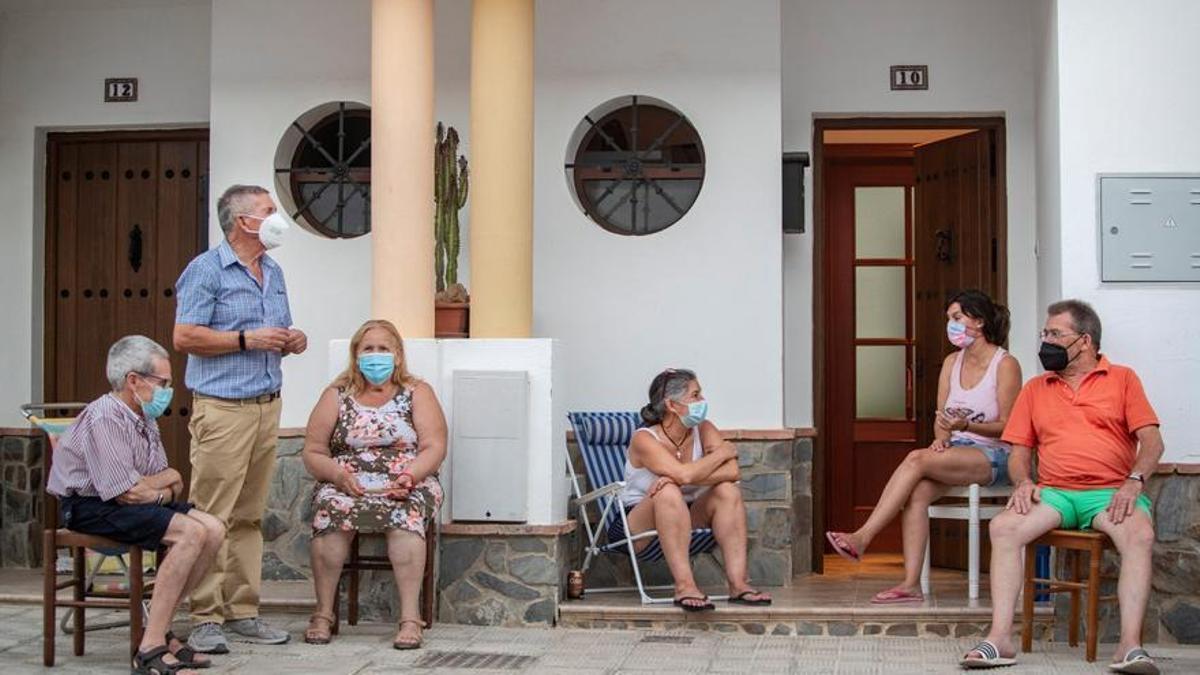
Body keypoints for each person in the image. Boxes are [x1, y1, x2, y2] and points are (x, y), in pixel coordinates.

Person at [961, 300, 1163, 674]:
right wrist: (1022, 482)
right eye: (1045, 333)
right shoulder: (1037, 388)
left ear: (1084, 341)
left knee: (1139, 535)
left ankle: (1129, 647)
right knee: (1003, 527)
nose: (1046, 341)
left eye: (1055, 334)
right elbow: (1020, 452)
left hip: (1109, 493)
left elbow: (1152, 443)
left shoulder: (1123, 379)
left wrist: (1134, 483)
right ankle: (999, 639)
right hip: (1055, 493)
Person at [173, 184, 307, 653]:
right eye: (269, 211)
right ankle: (205, 616)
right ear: (242, 221)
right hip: (224, 409)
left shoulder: (272, 271)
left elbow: (278, 330)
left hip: (267, 405)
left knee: (249, 517)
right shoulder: (206, 270)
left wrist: (292, 340)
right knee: (211, 517)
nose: (277, 218)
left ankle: (244, 610)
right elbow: (185, 335)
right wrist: (247, 339)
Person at [825, 290, 1022, 604]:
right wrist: (942, 438)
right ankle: (910, 584)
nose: (951, 325)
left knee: (916, 459)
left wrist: (967, 426)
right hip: (957, 450)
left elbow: (1012, 426)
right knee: (917, 492)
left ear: (979, 322)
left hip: (995, 455)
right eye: (949, 319)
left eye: (957, 318)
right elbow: (940, 418)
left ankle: (862, 537)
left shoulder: (1005, 364)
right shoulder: (950, 363)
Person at [46, 336, 226, 674]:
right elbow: (126, 493)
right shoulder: (105, 417)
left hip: (122, 501)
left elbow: (168, 478)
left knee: (214, 530)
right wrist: (162, 486)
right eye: (163, 383)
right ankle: (149, 651)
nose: (167, 391)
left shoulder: (142, 416)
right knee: (189, 534)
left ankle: (160, 629)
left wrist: (159, 486)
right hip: (88, 506)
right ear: (134, 380)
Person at [300, 320, 447, 650]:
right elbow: (313, 451)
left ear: (397, 355)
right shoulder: (337, 395)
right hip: (347, 480)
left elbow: (434, 446)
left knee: (406, 513)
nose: (376, 356)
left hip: (408, 479)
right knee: (329, 507)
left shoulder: (416, 392)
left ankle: (410, 619)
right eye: (368, 349)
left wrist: (409, 477)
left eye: (384, 349)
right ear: (356, 355)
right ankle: (323, 614)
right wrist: (337, 476)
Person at [616, 368, 771, 611]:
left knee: (727, 491)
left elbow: (733, 473)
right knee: (667, 491)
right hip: (638, 526)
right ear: (671, 405)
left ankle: (739, 584)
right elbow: (683, 474)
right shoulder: (644, 439)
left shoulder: (704, 429)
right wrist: (722, 452)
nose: (702, 402)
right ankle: (684, 586)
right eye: (695, 396)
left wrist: (683, 476)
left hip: (687, 518)